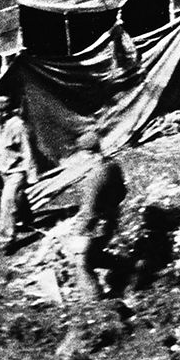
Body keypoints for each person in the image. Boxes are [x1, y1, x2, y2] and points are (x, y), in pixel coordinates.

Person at [0, 94, 40, 252]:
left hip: (17, 172)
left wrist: (32, 174)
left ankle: (6, 240)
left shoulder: (18, 126)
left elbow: (28, 150)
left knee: (7, 201)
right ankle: (26, 218)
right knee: (17, 197)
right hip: (4, 170)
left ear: (5, 112)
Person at [69, 129, 126, 303]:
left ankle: (94, 300)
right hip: (110, 219)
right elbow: (123, 191)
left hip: (96, 226)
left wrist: (77, 231)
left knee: (82, 263)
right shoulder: (113, 165)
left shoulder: (94, 177)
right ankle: (124, 266)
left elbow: (89, 210)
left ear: (86, 153)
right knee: (94, 256)